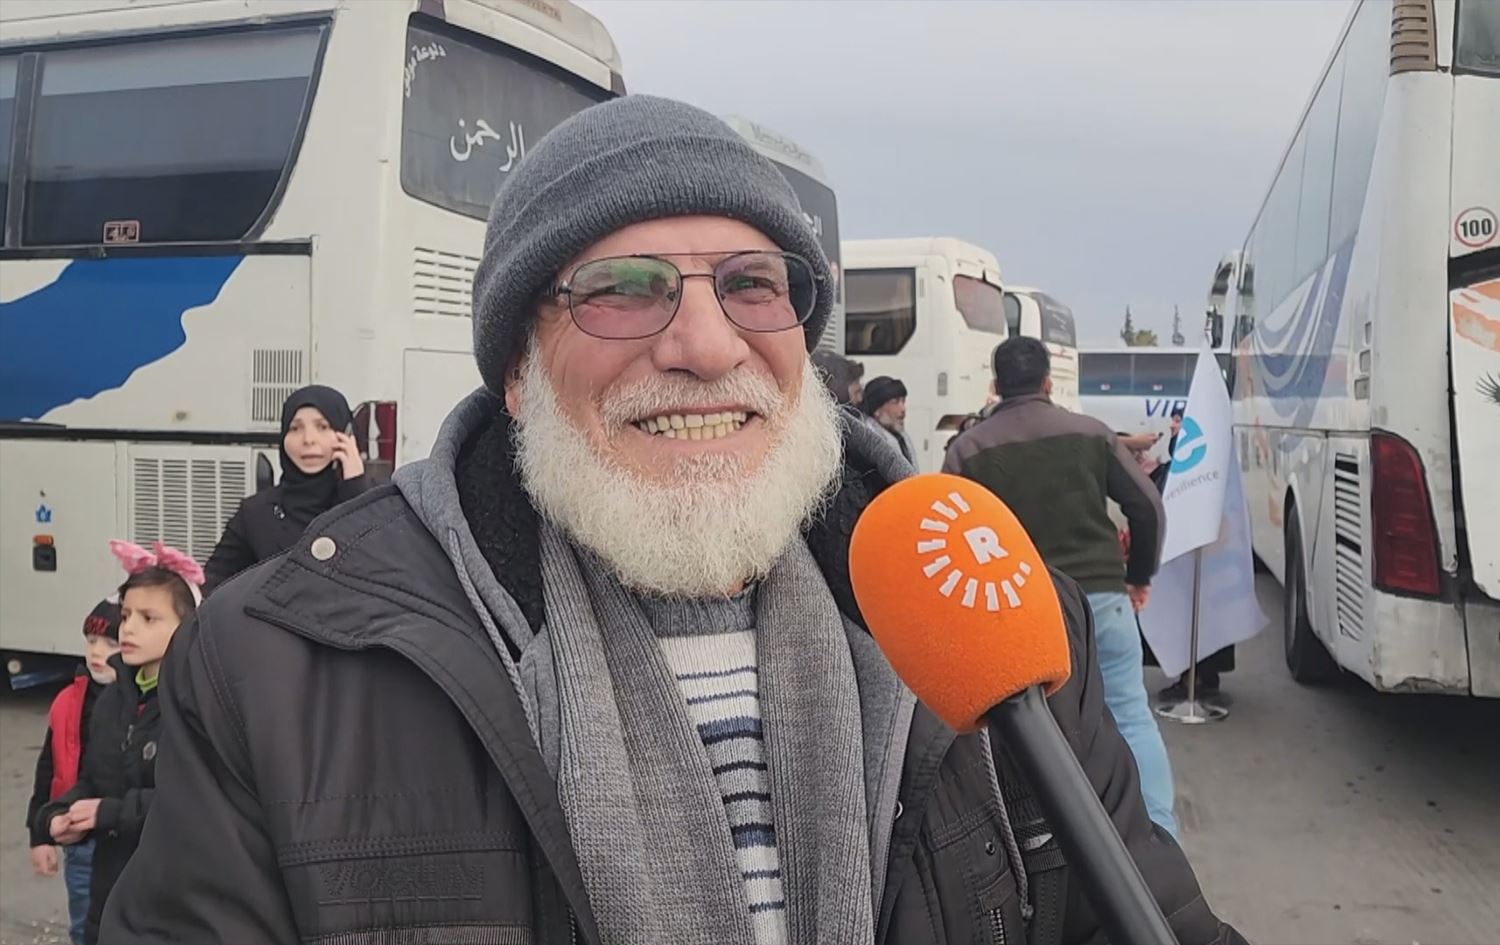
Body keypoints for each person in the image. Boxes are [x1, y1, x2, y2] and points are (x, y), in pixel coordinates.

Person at [102, 96, 1242, 945]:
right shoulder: (275, 667)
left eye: (753, 285)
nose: (705, 344)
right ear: (517, 373)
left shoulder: (981, 612)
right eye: (624, 288)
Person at [944, 336, 1179, 837]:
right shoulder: (1092, 433)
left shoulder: (968, 449)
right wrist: (1138, 577)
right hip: (1102, 600)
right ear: (1049, 381)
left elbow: (952, 533)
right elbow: (1147, 508)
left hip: (1016, 613)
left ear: (996, 385)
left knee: (1033, 733)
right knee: (1129, 715)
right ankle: (1160, 837)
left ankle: (1053, 847)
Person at [38, 541, 202, 945]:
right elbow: (96, 778)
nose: (127, 628)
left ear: (187, 626)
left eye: (148, 618)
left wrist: (107, 813)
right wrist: (58, 815)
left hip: (174, 899)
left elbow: (195, 803)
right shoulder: (113, 696)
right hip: (110, 888)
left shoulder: (198, 702)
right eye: (126, 615)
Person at [202, 385, 373, 592]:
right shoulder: (256, 512)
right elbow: (211, 583)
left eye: (322, 427)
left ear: (347, 434)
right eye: (295, 428)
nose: (308, 440)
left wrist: (355, 488)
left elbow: (375, 568)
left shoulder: (376, 500)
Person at [24, 600, 121, 945]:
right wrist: (39, 833)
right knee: (85, 928)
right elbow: (47, 768)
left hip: (128, 841)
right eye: (91, 641)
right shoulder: (67, 701)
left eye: (111, 643)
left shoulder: (144, 704)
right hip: (80, 841)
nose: (97, 652)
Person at [1144, 405, 1235, 704]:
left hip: (1188, 555)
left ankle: (1191, 679)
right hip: (1198, 556)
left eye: (1178, 419)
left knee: (1186, 615)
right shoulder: (1198, 461)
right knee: (1197, 614)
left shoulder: (1189, 465)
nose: (1173, 425)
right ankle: (1203, 675)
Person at [860, 374, 916, 464]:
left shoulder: (902, 437)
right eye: (895, 402)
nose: (903, 409)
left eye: (903, 401)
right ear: (877, 410)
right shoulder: (867, 440)